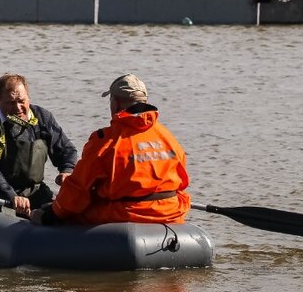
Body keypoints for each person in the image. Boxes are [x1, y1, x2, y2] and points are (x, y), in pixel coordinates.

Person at [32, 73, 190, 226]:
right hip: (170, 211)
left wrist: (52, 213)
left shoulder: (105, 141)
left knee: (71, 215)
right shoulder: (167, 137)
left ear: (115, 103)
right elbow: (182, 184)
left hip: (126, 214)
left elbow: (78, 189)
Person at [0, 73, 79, 218]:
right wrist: (11, 196)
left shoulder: (42, 118)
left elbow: (67, 150)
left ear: (28, 97)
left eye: (21, 101)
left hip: (33, 191)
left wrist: (67, 170)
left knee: (64, 213)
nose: (18, 108)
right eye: (11, 103)